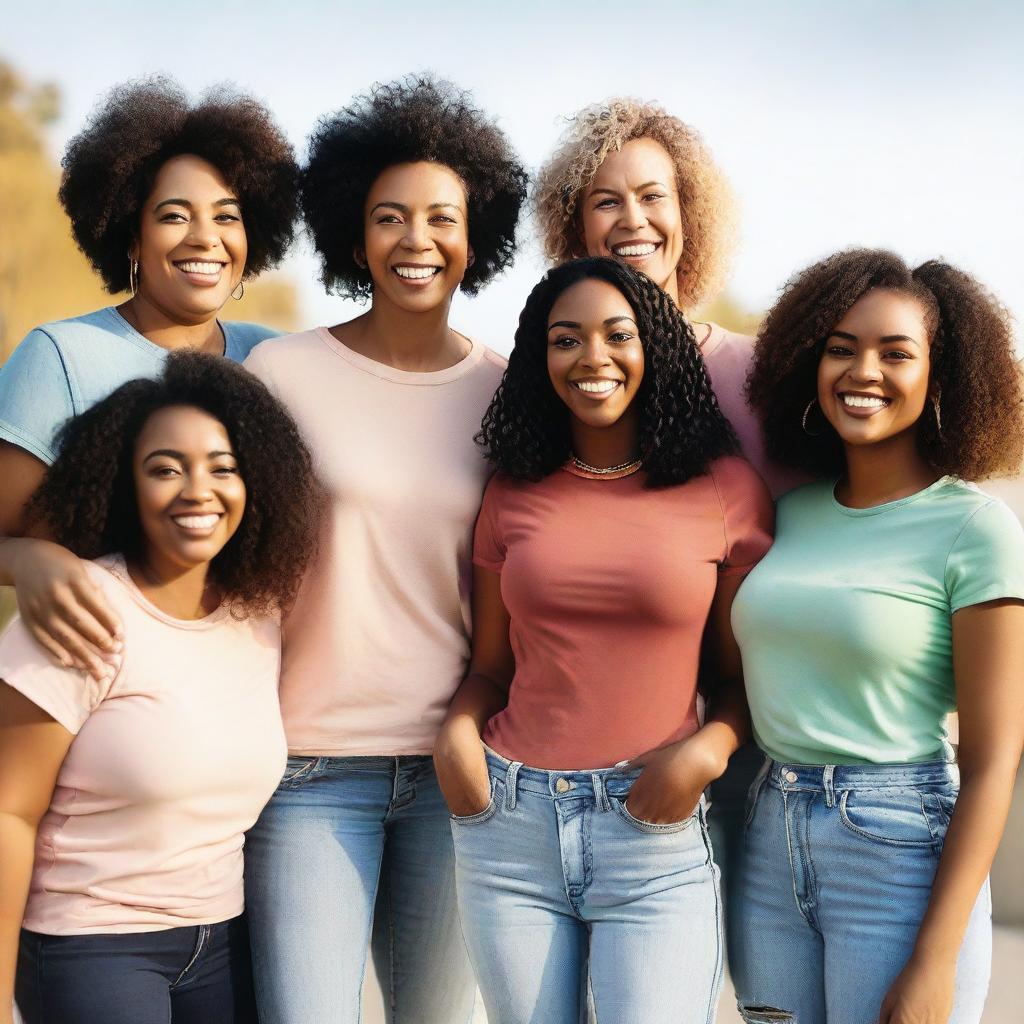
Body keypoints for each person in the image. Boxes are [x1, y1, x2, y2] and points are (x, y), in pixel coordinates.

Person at [241, 75, 528, 1024]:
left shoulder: (512, 392)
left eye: (441, 217)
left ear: (475, 231)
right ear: (352, 233)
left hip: (460, 772)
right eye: (389, 217)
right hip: (308, 770)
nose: (416, 241)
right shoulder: (281, 373)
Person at [433, 257, 773, 1024]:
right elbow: (491, 667)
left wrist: (706, 752)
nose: (592, 358)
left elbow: (741, 680)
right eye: (565, 339)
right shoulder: (514, 487)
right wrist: (455, 735)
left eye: (618, 335)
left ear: (654, 347)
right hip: (508, 829)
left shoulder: (724, 490)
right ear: (539, 358)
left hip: (651, 835)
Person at [730, 249, 1024, 1024]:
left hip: (900, 847)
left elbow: (993, 759)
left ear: (941, 377)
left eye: (896, 353)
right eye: (840, 348)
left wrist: (936, 956)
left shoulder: (976, 528)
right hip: (769, 837)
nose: (864, 371)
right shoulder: (786, 514)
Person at [535, 99, 804, 909]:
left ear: (690, 215)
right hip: (614, 753)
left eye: (655, 196)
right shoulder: (554, 388)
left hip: (771, 739)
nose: (633, 220)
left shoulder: (764, 378)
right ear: (573, 227)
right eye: (606, 201)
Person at [0, 351, 320, 1024]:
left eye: (222, 468)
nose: (197, 490)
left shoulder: (258, 615)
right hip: (91, 944)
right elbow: (8, 814)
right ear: (124, 486)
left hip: (225, 942)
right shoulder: (82, 607)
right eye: (164, 468)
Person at [0, 76, 298, 679]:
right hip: (94, 674)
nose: (204, 238)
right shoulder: (59, 354)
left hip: (245, 683)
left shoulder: (277, 360)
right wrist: (28, 560)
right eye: (174, 215)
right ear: (131, 237)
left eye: (227, 216)